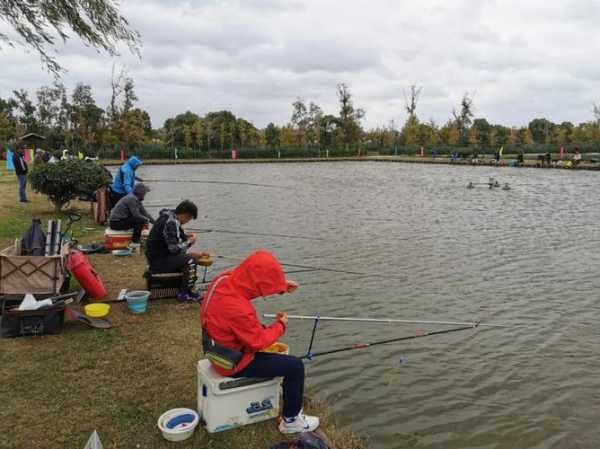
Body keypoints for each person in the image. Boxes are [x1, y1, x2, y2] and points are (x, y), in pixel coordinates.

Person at [201, 250, 319, 434]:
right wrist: (280, 325)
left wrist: (280, 287)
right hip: (232, 362)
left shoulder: (222, 280)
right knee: (295, 366)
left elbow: (246, 286)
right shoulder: (239, 309)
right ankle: (291, 420)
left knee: (261, 329)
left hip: (215, 348)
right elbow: (258, 342)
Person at [145, 200, 208, 301]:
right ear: (185, 215)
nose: (187, 222)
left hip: (157, 257)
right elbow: (174, 250)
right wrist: (190, 242)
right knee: (192, 261)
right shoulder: (171, 222)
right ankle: (185, 293)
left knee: (190, 257)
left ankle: (184, 289)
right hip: (158, 262)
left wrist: (185, 238)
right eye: (189, 219)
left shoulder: (169, 216)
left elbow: (172, 240)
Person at [108, 183, 155, 248]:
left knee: (142, 219)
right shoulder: (132, 199)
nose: (145, 195)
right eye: (145, 193)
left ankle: (136, 239)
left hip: (119, 220)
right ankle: (135, 242)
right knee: (140, 220)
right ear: (140, 193)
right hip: (116, 223)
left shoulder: (135, 198)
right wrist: (147, 220)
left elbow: (145, 213)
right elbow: (136, 215)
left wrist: (155, 222)